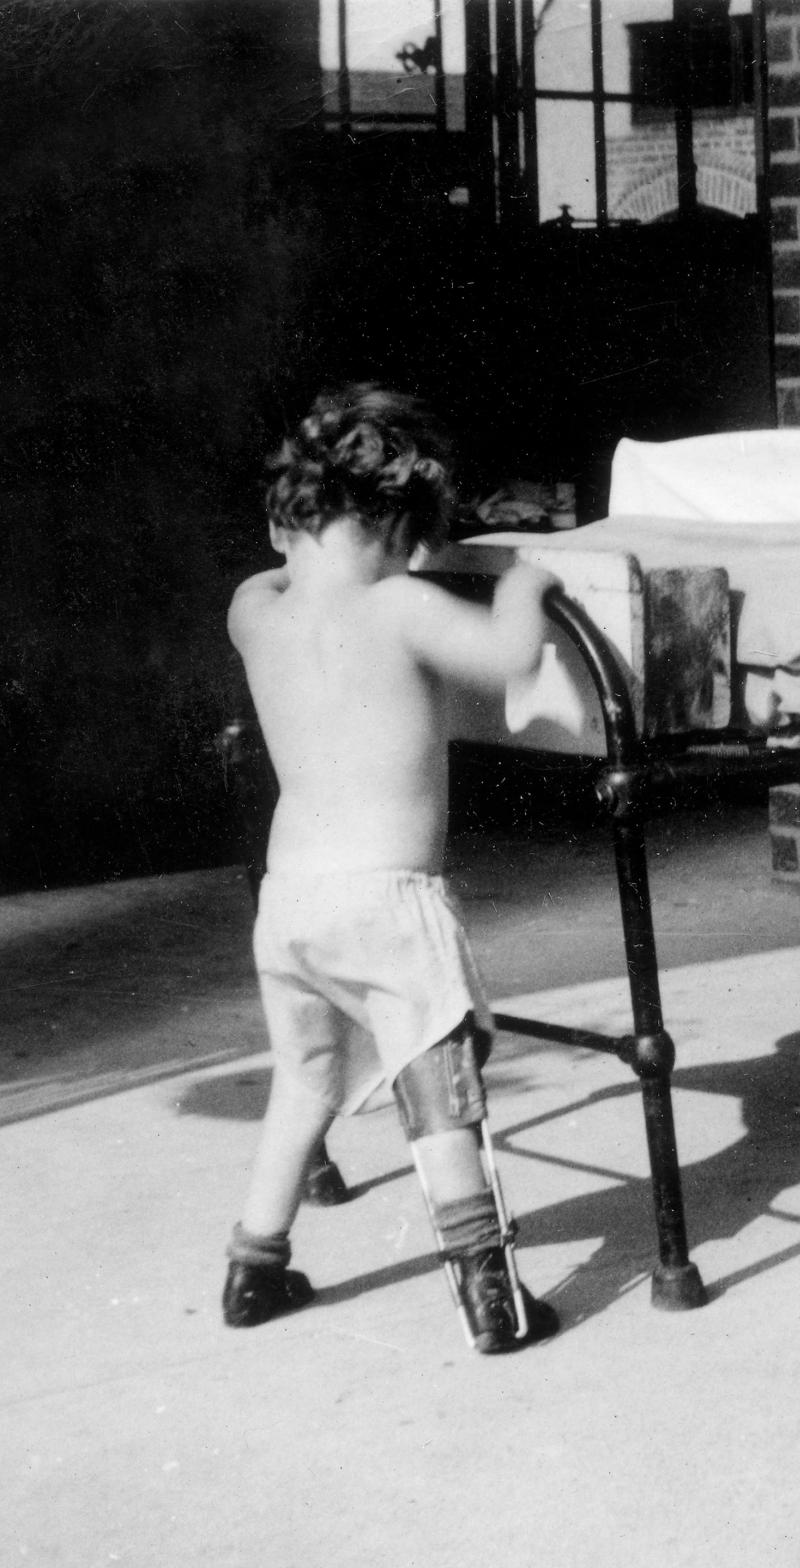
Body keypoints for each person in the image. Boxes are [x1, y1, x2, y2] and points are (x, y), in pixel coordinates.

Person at [222, 385, 560, 1356]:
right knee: (438, 1085)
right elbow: (503, 658)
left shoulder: (257, 614)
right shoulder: (404, 605)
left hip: (290, 904)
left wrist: (301, 542)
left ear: (288, 522)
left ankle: (254, 1261)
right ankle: (490, 1296)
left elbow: (274, 574)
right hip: (388, 900)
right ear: (401, 529)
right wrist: (525, 585)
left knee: (304, 1075)